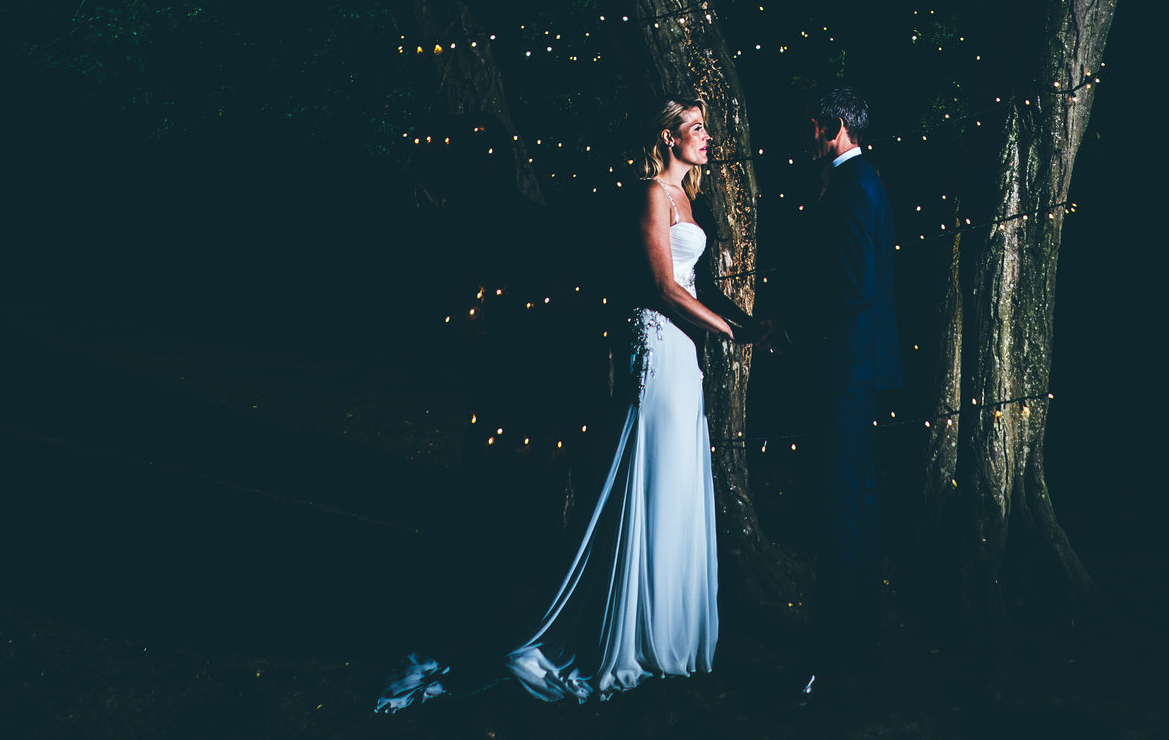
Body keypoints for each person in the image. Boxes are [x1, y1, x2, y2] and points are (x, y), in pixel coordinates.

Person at [376, 98, 735, 712]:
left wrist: (735, 321)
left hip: (683, 352)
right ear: (667, 136)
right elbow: (661, 284)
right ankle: (623, 626)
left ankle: (670, 625)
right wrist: (724, 330)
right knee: (647, 474)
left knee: (677, 477)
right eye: (695, 127)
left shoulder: (691, 202)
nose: (706, 137)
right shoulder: (650, 193)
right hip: (655, 341)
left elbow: (696, 280)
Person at [778, 84, 900, 702]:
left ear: (837, 129)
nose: (807, 138)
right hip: (857, 367)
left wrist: (797, 330)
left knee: (844, 505)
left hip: (846, 368)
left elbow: (852, 287)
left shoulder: (854, 189)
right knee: (859, 501)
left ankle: (834, 647)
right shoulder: (859, 183)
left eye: (813, 127)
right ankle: (862, 638)